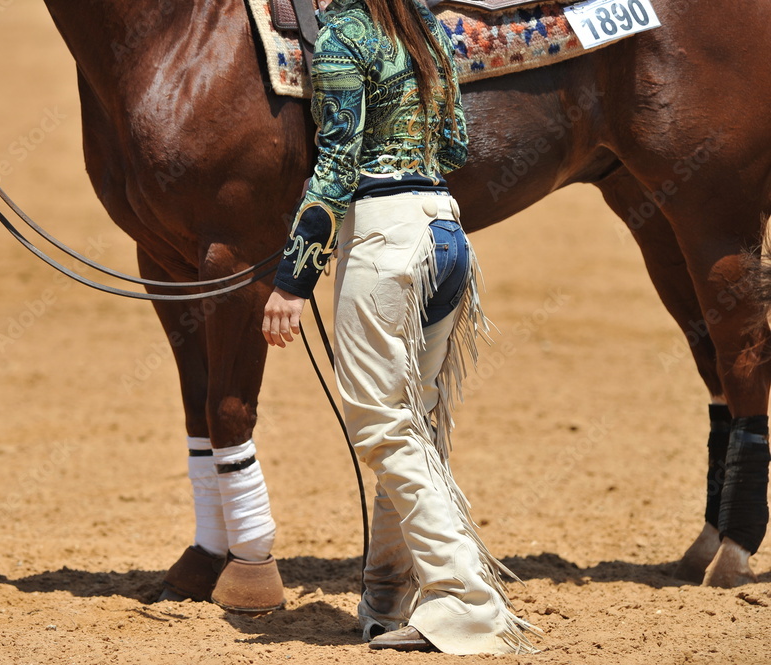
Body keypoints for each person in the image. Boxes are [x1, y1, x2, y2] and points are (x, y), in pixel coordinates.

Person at [263, 0, 536, 654]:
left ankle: (466, 598)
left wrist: (293, 279)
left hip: (386, 243)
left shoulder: (342, 38)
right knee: (413, 420)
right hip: (446, 231)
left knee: (383, 423)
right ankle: (388, 596)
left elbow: (336, 165)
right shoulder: (424, 28)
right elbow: (456, 143)